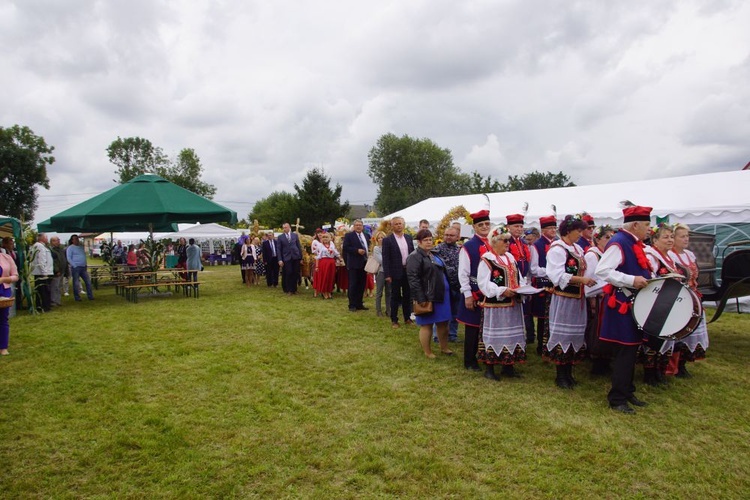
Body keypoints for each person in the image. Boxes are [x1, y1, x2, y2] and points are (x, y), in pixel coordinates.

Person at [595, 205, 653, 414]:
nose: (649, 229)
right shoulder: (619, 243)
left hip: (634, 305)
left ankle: (627, 391)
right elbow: (602, 270)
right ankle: (617, 398)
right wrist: (631, 279)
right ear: (635, 224)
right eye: (646, 224)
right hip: (622, 305)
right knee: (625, 352)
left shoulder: (632, 242)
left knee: (632, 349)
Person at [545, 215, 596, 389]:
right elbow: (555, 275)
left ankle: (569, 373)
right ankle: (560, 375)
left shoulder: (577, 249)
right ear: (568, 230)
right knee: (563, 336)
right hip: (564, 299)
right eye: (578, 231)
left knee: (575, 335)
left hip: (577, 299)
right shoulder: (557, 249)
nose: (581, 234)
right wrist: (581, 280)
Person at [477, 225, 527, 380]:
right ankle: (489, 368)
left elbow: (519, 277)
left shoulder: (510, 258)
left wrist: (522, 288)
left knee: (510, 335)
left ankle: (508, 366)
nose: (507, 243)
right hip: (496, 305)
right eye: (504, 240)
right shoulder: (487, 259)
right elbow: (483, 283)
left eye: (508, 240)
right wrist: (501, 290)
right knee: (494, 336)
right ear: (495, 241)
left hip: (512, 304)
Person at [669, 223, 709, 377]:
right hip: (679, 297)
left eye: (687, 236)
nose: (686, 239)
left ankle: (683, 363)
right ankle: (672, 365)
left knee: (690, 331)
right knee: (679, 331)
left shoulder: (689, 254)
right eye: (682, 236)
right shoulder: (671, 256)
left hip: (692, 296)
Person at [406, 229, 453, 358]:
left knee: (443, 323)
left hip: (441, 295)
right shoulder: (414, 256)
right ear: (419, 242)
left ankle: (444, 347)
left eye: (430, 239)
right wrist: (420, 298)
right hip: (428, 296)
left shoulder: (433, 254)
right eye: (425, 240)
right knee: (426, 324)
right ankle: (427, 351)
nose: (429, 242)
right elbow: (413, 279)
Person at [641, 224, 677, 387]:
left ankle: (659, 369)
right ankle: (649, 372)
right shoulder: (651, 256)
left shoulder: (669, 257)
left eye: (671, 237)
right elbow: (651, 279)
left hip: (667, 302)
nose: (670, 240)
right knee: (654, 336)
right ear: (655, 240)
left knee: (666, 335)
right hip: (655, 303)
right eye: (666, 237)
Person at [457, 208, 493, 371]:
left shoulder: (494, 243)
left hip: (490, 291)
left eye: (487, 224)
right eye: (481, 224)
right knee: (473, 327)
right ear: (475, 227)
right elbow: (463, 273)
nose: (485, 227)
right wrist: (467, 295)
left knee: (488, 326)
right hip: (475, 290)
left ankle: (486, 355)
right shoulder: (469, 246)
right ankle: (469, 360)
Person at [583, 225, 615, 375]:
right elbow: (590, 281)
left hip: (606, 296)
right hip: (597, 297)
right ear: (597, 239)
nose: (610, 240)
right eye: (606, 237)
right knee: (596, 330)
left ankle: (605, 360)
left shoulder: (606, 254)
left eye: (611, 237)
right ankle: (597, 362)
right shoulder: (592, 255)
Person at [529, 215, 558, 355]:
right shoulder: (537, 246)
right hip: (544, 284)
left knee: (554, 316)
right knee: (542, 318)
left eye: (554, 227)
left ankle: (552, 343)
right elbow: (534, 269)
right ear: (543, 230)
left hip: (556, 285)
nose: (553, 230)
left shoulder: (558, 243)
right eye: (550, 228)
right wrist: (551, 272)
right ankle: (541, 345)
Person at [506, 213, 534, 344]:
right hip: (511, 281)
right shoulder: (506, 241)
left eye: (521, 226)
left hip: (523, 280)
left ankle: (525, 337)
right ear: (509, 227)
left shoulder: (522, 242)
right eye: (516, 226)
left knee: (525, 311)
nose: (519, 229)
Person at [382, 216, 415, 328]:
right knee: (395, 296)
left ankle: (407, 318)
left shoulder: (409, 238)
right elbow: (385, 258)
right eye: (396, 224)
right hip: (395, 272)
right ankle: (394, 320)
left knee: (407, 295)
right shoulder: (387, 240)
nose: (399, 225)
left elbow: (413, 254)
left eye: (400, 223)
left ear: (404, 224)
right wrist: (387, 274)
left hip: (408, 270)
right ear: (392, 226)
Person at [434, 225, 461, 342]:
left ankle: (452, 335)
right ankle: (437, 336)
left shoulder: (460, 250)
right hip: (443, 286)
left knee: (455, 312)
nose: (448, 237)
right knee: (441, 312)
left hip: (457, 286)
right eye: (446, 235)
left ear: (457, 237)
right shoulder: (437, 249)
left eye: (451, 235)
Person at [343, 219, 370, 312]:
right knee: (353, 284)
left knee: (362, 284)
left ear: (363, 227)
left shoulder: (366, 236)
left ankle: (359, 303)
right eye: (356, 225)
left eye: (360, 225)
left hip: (364, 263)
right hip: (354, 263)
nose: (358, 227)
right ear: (354, 227)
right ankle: (352, 304)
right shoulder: (349, 236)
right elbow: (346, 248)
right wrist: (356, 250)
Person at [0, 249, 19, 355]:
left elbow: (15, 276)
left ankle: (3, 347)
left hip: (3, 291)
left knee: (3, 319)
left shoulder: (6, 257)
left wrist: (3, 280)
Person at [66, 234, 95, 302]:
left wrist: (85, 264)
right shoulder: (70, 248)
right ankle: (77, 297)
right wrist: (74, 265)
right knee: (76, 283)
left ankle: (90, 296)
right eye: (75, 239)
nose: (77, 240)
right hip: (76, 267)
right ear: (72, 240)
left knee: (88, 282)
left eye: (77, 239)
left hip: (83, 267)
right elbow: (69, 258)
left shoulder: (81, 247)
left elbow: (83, 255)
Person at [278, 223, 303, 295]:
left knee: (295, 273)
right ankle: (288, 289)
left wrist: (300, 257)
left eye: (285, 227)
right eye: (283, 228)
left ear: (289, 227)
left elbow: (298, 246)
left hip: (295, 257)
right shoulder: (280, 237)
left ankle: (294, 289)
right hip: (286, 257)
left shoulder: (294, 235)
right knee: (289, 272)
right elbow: (279, 249)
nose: (284, 229)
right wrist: (280, 259)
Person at [31, 233, 53, 312]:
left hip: (41, 272)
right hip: (41, 273)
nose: (47, 239)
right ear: (41, 238)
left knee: (41, 290)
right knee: (43, 291)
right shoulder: (40, 246)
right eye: (46, 237)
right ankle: (44, 306)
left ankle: (41, 306)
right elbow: (41, 260)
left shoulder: (39, 246)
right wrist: (44, 272)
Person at [313, 232, 339, 299]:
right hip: (324, 262)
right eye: (323, 237)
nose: (325, 239)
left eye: (327, 237)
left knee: (331, 277)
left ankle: (329, 291)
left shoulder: (332, 244)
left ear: (330, 238)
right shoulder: (320, 245)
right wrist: (317, 266)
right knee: (325, 277)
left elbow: (336, 253)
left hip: (331, 262)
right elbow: (318, 256)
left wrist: (340, 258)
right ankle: (324, 292)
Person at [371, 231, 391, 317]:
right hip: (381, 272)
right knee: (379, 292)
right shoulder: (376, 248)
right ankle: (378, 310)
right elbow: (381, 260)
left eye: (382, 237)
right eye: (378, 238)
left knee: (389, 292)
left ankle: (388, 310)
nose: (380, 239)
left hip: (389, 272)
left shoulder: (389, 247)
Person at [49, 236, 68, 307]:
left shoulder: (60, 250)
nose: (58, 242)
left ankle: (58, 300)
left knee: (59, 286)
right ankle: (53, 301)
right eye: (57, 240)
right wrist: (56, 270)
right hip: (57, 272)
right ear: (52, 242)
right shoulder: (52, 251)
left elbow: (63, 259)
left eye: (59, 240)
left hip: (62, 271)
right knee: (55, 286)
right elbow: (53, 262)